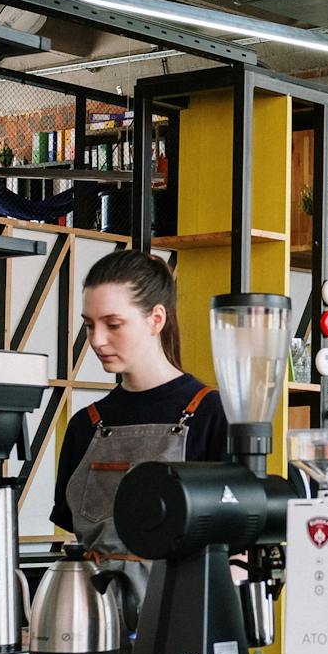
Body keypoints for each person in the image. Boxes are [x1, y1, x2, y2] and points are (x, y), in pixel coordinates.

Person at [52, 250, 228, 618]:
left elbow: (235, 550)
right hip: (92, 626)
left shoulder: (212, 414)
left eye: (113, 324)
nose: (97, 340)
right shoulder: (86, 424)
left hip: (183, 626)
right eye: (89, 325)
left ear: (156, 319)